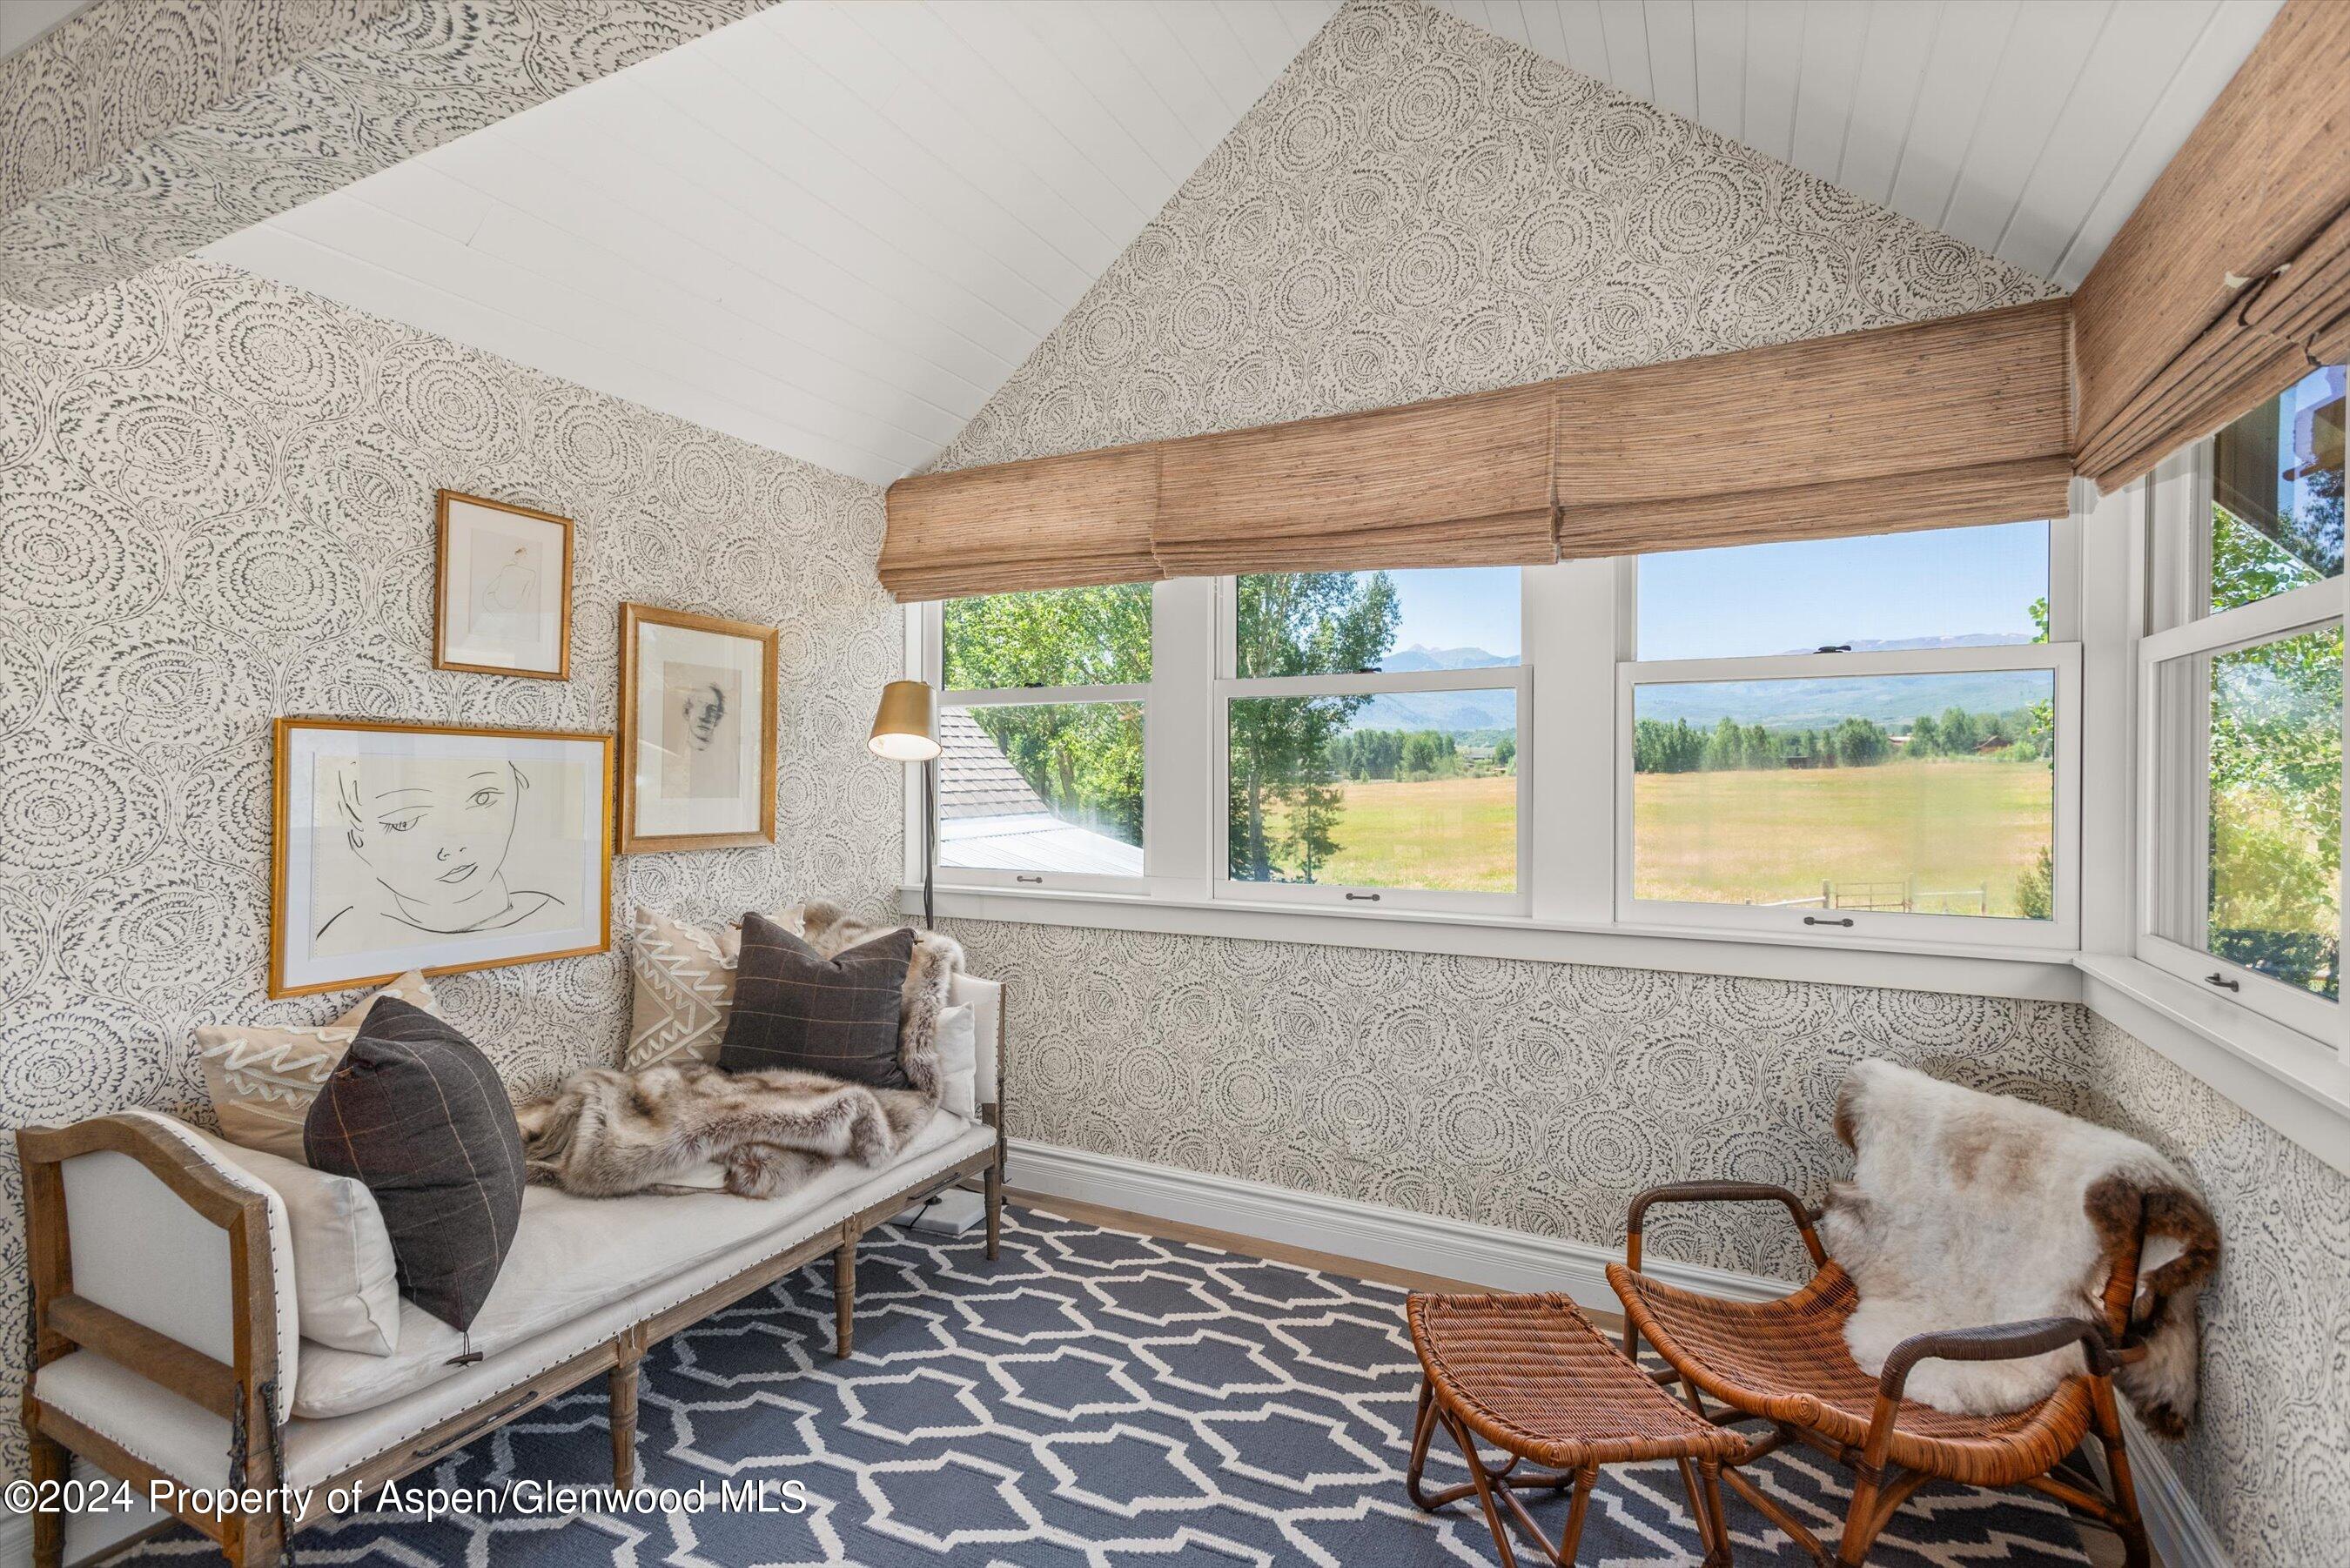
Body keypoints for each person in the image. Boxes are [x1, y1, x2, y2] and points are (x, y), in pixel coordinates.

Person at [313, 756, 561, 954]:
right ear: (358, 837)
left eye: (482, 798)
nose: (453, 847)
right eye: (404, 822)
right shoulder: (343, 940)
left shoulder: (556, 918)